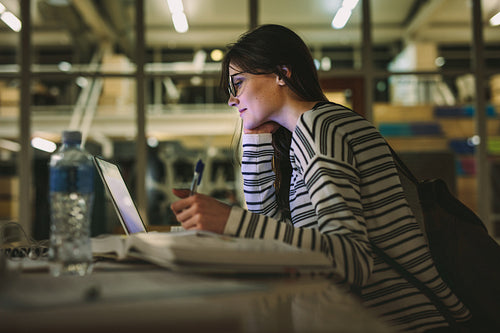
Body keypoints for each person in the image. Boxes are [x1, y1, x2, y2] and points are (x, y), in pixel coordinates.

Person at [171, 24, 470, 332]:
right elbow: (269, 233)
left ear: (281, 73)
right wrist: (255, 138)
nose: (232, 99)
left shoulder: (318, 128)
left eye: (239, 83)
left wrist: (230, 221)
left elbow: (350, 260)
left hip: (400, 323)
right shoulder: (320, 124)